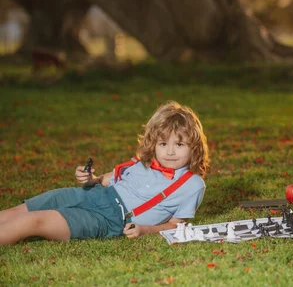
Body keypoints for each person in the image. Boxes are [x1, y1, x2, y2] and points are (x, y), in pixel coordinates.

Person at [0, 101, 209, 244]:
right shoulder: (143, 162)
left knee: (35, 220)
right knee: (23, 210)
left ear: (194, 147)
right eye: (163, 143)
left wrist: (144, 230)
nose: (170, 152)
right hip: (92, 195)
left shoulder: (192, 185)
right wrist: (90, 178)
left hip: (108, 219)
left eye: (180, 144)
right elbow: (105, 180)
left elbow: (175, 226)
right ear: (154, 144)